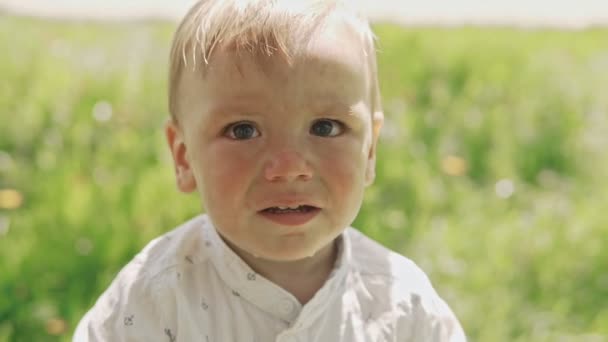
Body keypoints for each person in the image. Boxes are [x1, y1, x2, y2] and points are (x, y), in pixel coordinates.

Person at [74, 0, 466, 340]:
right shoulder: (153, 300)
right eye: (243, 130)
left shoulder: (402, 305)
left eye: (325, 127)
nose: (289, 168)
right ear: (184, 157)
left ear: (369, 151)